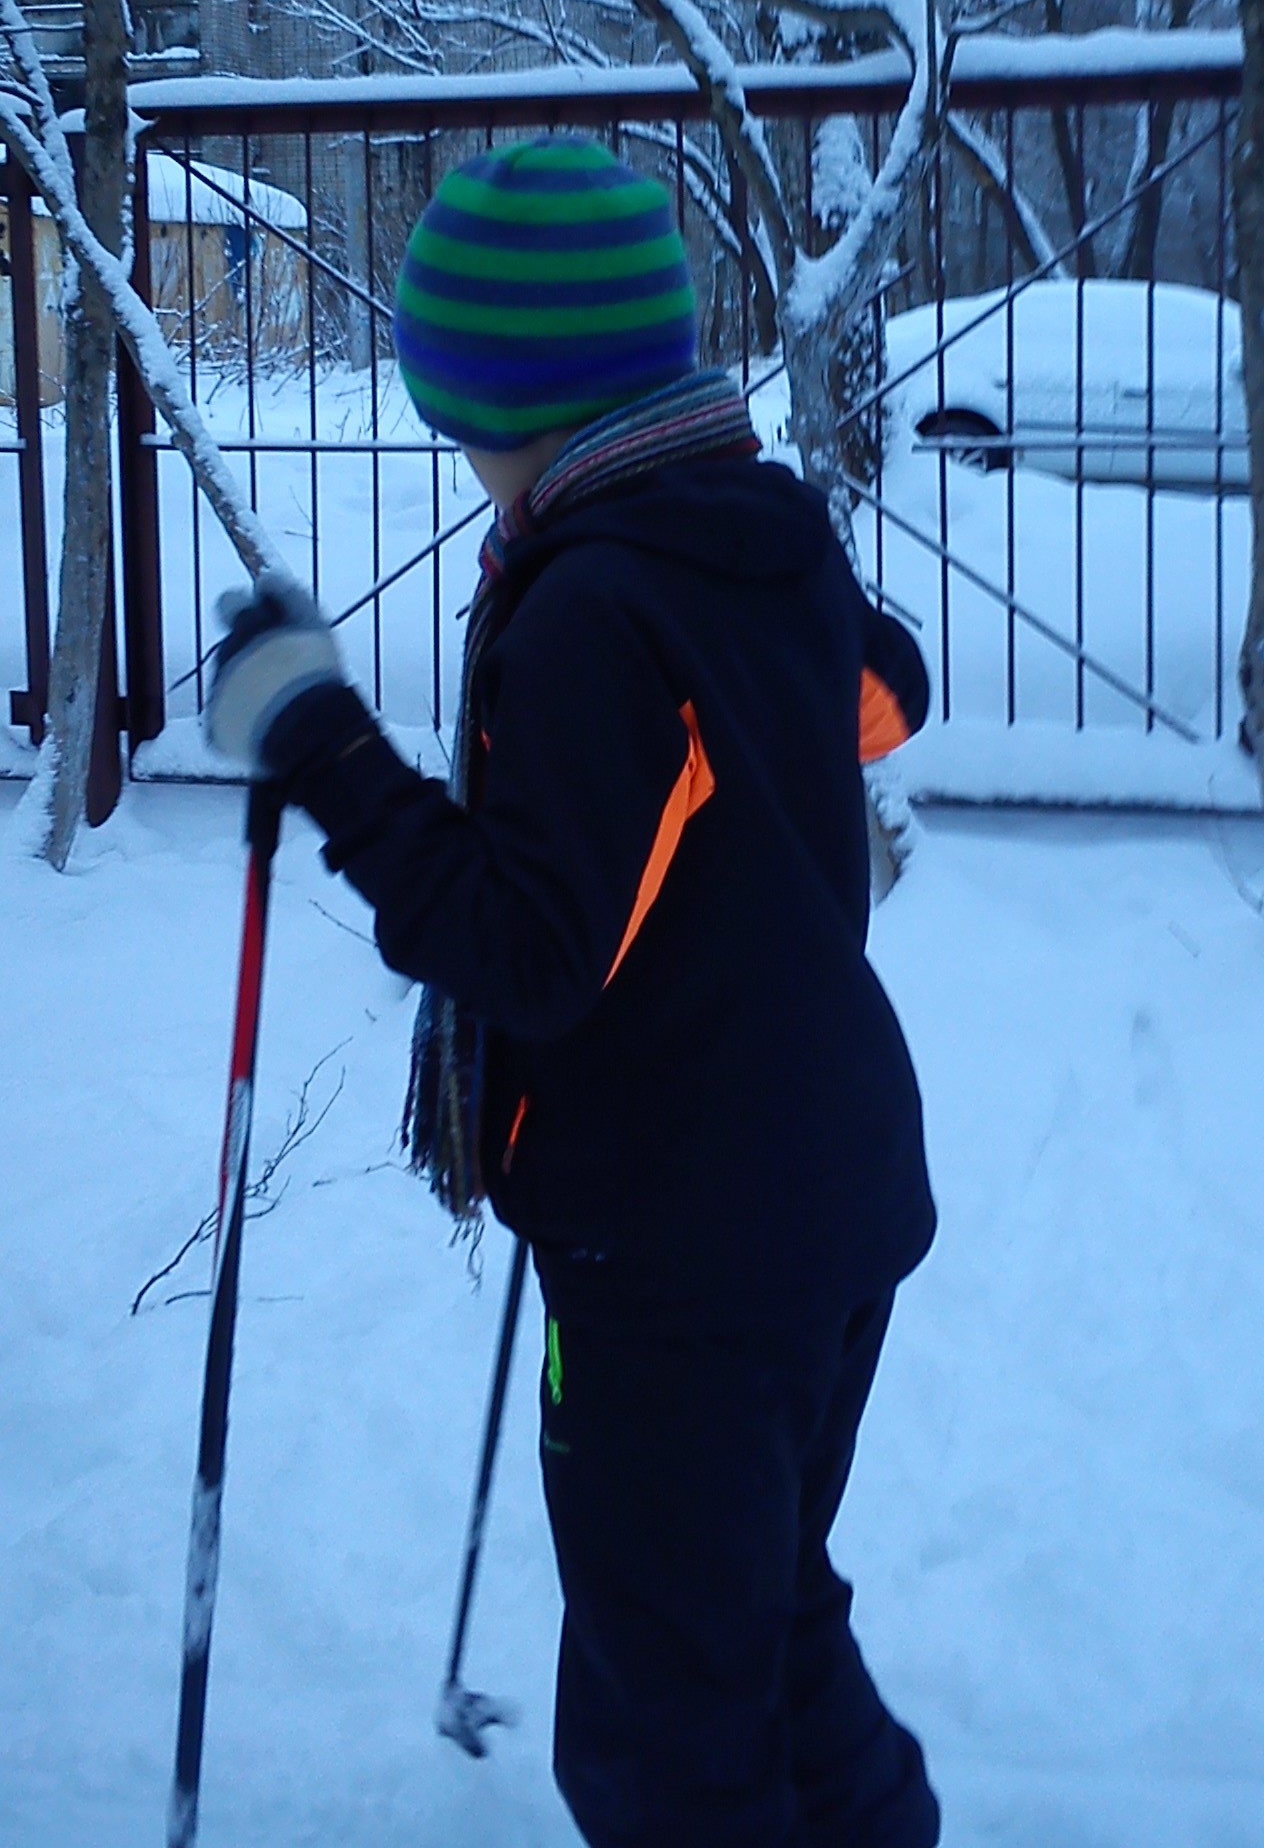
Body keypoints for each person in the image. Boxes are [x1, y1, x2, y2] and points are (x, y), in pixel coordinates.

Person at [202, 136, 941, 1848]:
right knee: (754, 1609)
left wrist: (318, 740)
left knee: (660, 1724)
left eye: (462, 423)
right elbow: (879, 682)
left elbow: (527, 953)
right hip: (821, 1203)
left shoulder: (594, 608)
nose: (463, 468)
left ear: (518, 406)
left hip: (680, 1258)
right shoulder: (753, 533)